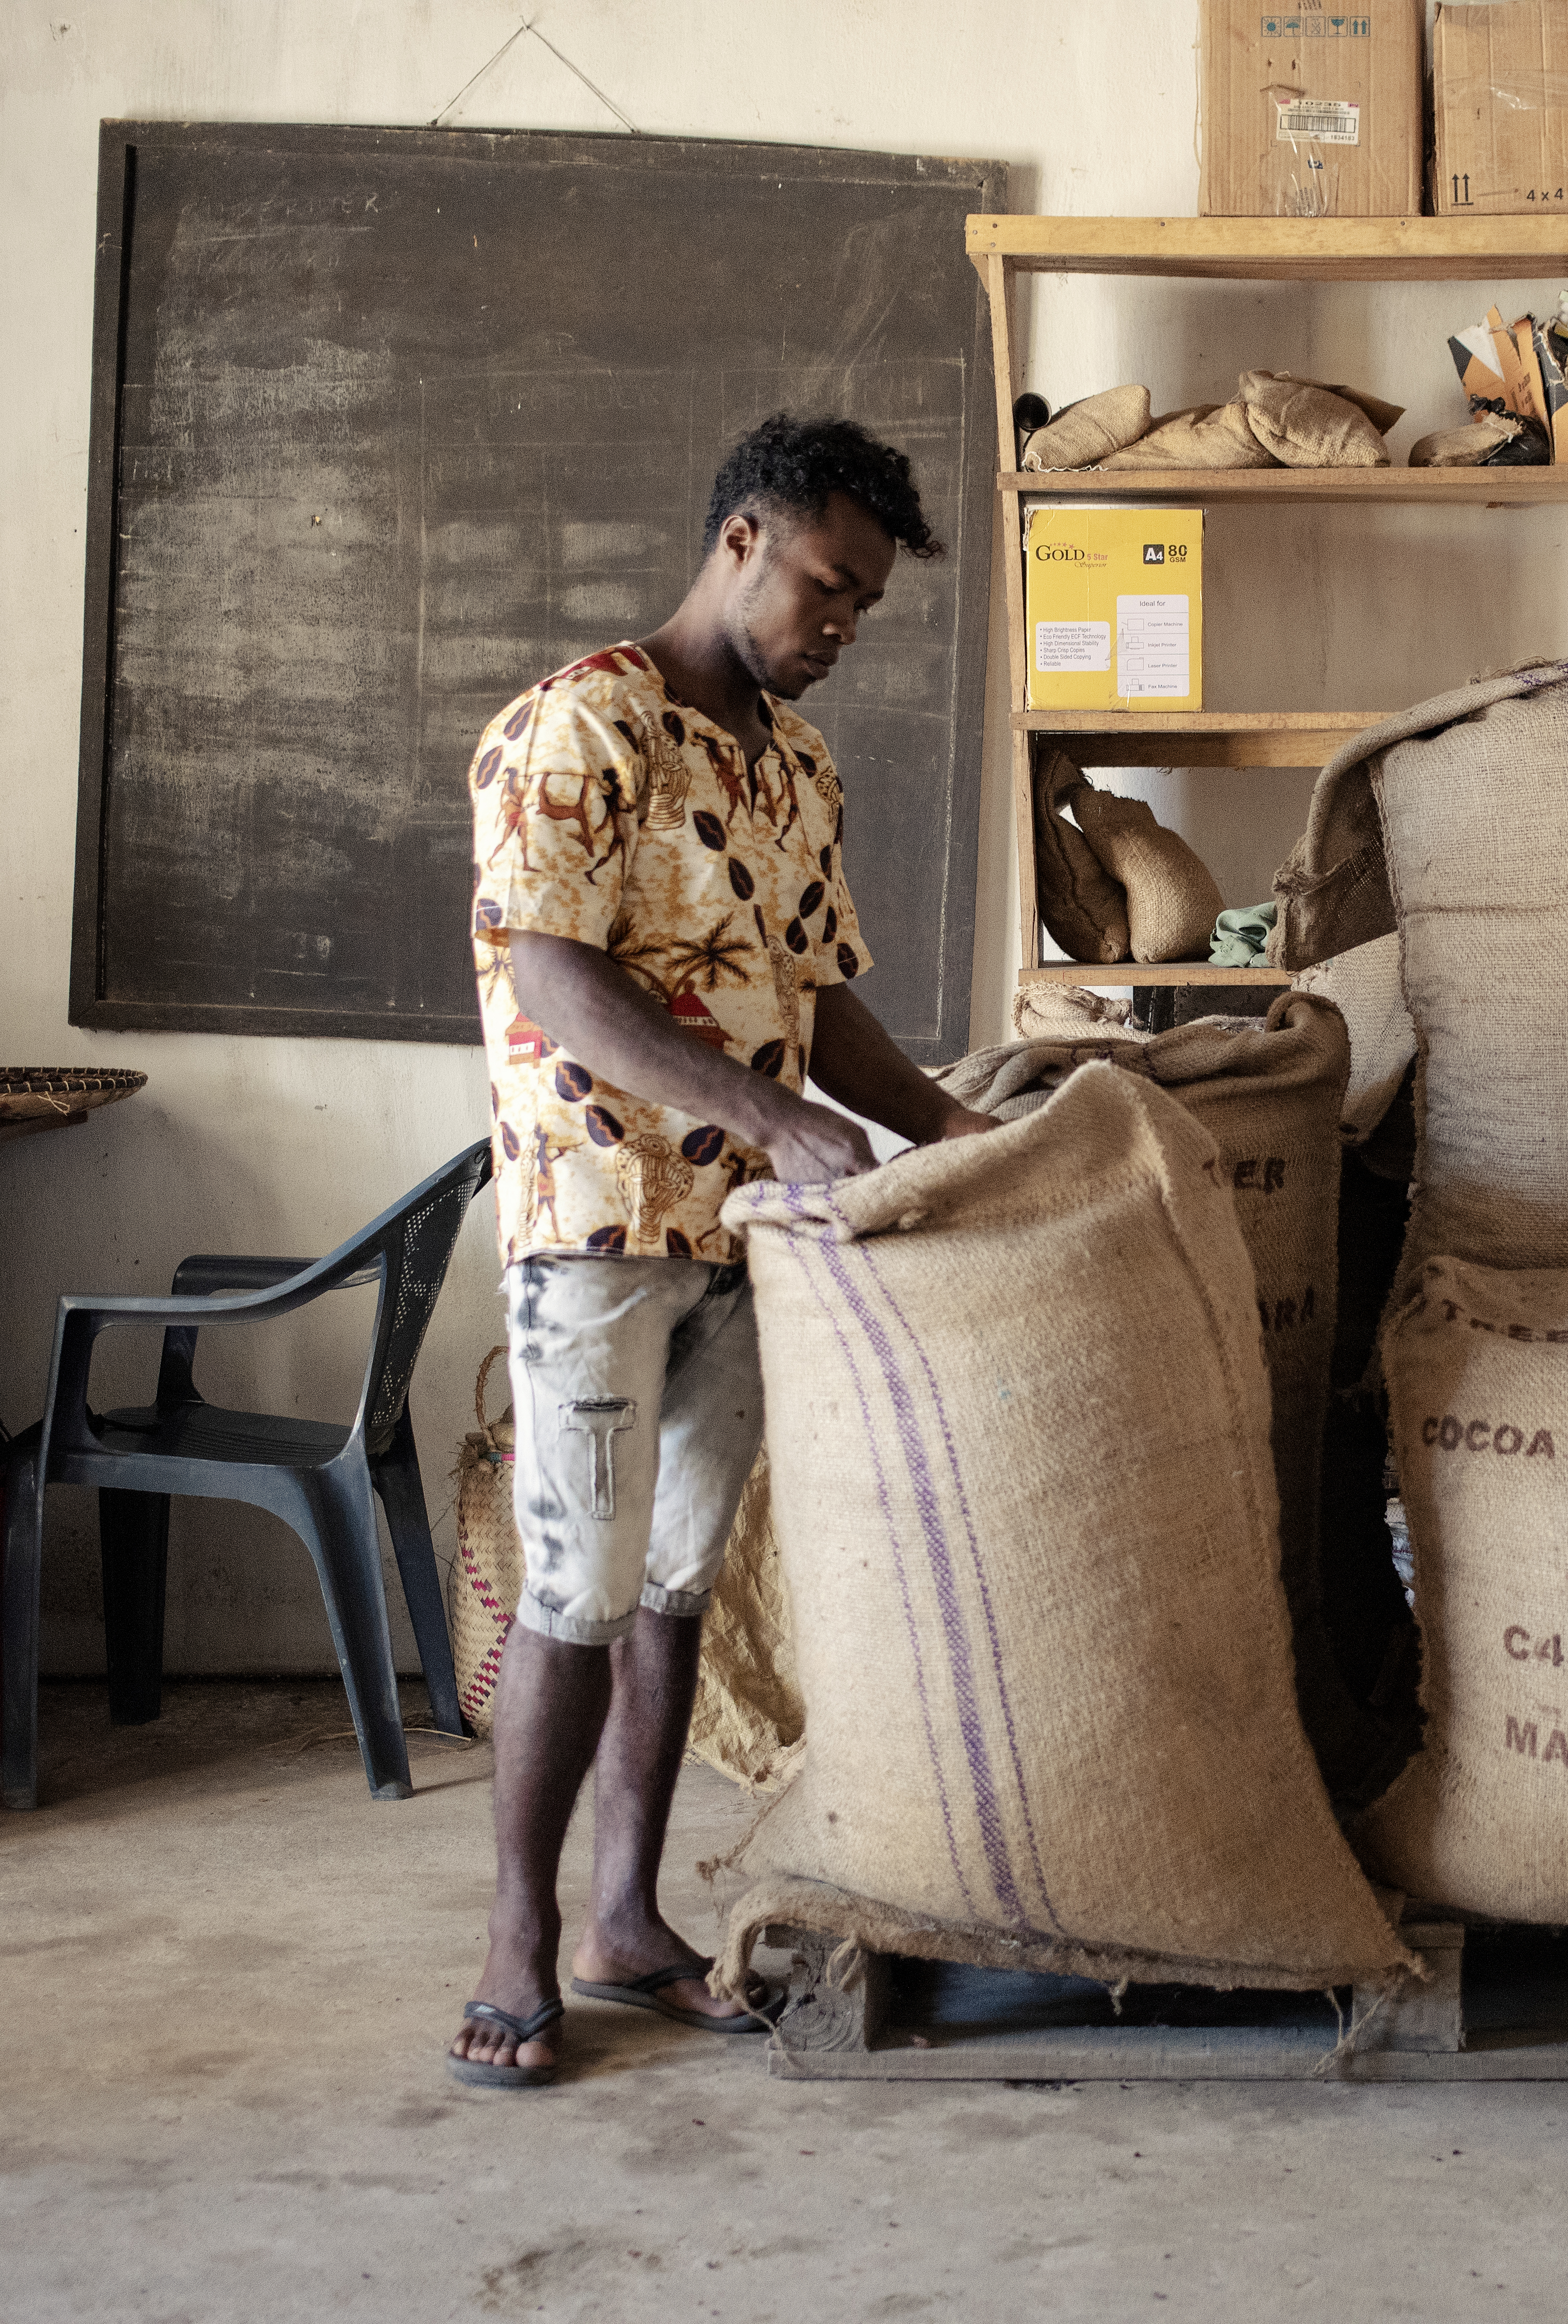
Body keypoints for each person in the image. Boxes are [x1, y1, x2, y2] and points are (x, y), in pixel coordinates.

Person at [449, 414, 995, 2087]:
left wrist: (948, 1130)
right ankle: (515, 1943)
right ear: (741, 539)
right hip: (598, 1230)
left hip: (748, 1237)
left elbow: (818, 1004)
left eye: (865, 608)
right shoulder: (580, 724)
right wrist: (764, 1120)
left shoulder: (796, 767)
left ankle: (625, 1918)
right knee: (576, 1585)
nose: (839, 626)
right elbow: (553, 977)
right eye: (826, 587)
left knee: (677, 1587)